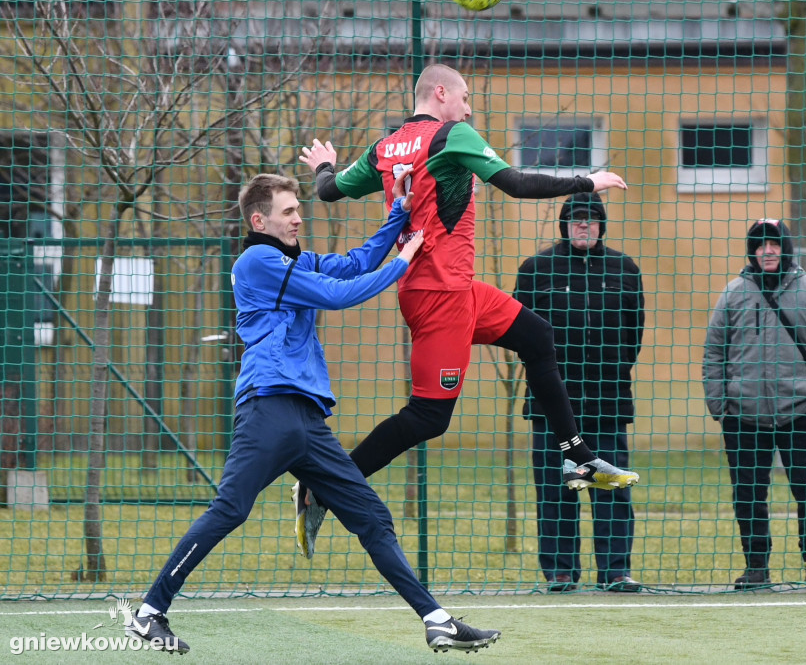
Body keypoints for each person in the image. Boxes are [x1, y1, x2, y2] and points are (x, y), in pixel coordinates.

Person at [125, 173, 500, 654]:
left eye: (298, 209)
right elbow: (339, 295)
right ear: (259, 221)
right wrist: (404, 260)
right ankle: (149, 613)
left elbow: (355, 264)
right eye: (288, 211)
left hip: (306, 421)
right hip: (268, 408)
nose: (298, 218)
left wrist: (399, 214)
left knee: (371, 516)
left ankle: (436, 620)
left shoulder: (292, 261)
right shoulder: (258, 260)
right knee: (231, 509)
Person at [298, 63, 639, 497]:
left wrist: (325, 166)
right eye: (465, 98)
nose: (469, 109)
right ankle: (325, 484)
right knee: (428, 417)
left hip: (451, 289)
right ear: (441, 93)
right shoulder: (451, 135)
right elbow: (516, 182)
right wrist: (586, 181)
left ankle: (579, 456)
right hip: (442, 295)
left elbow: (329, 190)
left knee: (537, 337)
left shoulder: (385, 146)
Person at [702, 218, 806, 591]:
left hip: (801, 413)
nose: (767, 251)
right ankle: (756, 568)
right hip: (743, 416)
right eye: (760, 245)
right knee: (748, 496)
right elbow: (714, 351)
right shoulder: (734, 292)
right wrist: (720, 405)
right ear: (751, 251)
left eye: (774, 244)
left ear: (786, 248)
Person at [514, 192, 645, 594]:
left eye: (591, 218)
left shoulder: (625, 268)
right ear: (564, 225)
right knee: (556, 492)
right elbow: (518, 331)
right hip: (551, 406)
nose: (583, 224)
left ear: (602, 225)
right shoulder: (536, 269)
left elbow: (634, 334)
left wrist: (612, 369)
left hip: (608, 401)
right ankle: (560, 572)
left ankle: (615, 571)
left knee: (612, 489)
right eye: (575, 218)